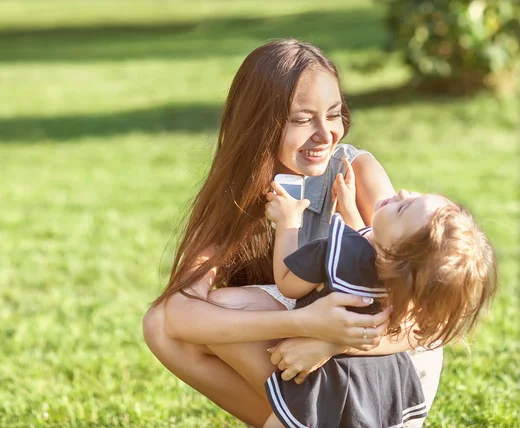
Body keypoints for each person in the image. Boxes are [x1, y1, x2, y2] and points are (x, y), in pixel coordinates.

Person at [142, 39, 433, 427]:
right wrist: (305, 324)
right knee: (160, 326)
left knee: (221, 312)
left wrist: (329, 341)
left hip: (385, 367)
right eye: (301, 119)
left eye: (334, 114)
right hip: (307, 346)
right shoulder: (241, 190)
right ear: (259, 124)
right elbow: (176, 317)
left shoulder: (356, 173)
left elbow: (420, 321)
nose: (326, 134)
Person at [262, 179, 498, 428]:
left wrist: (288, 222)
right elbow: (367, 247)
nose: (403, 192)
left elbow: (287, 282)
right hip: (378, 387)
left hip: (325, 388)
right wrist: (349, 209)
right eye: (416, 196)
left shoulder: (331, 252)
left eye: (403, 208)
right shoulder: (397, 283)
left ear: (391, 253)